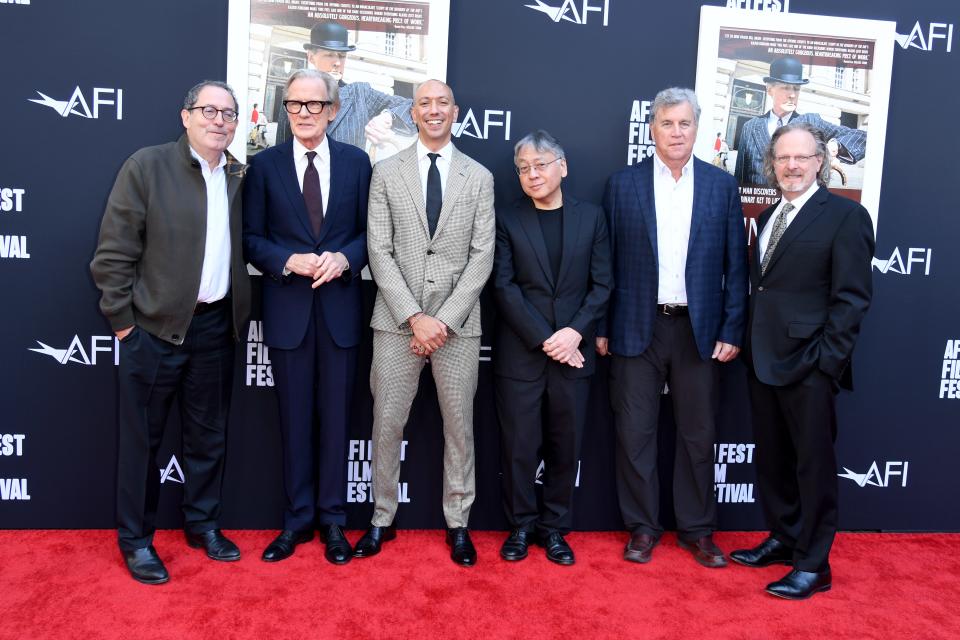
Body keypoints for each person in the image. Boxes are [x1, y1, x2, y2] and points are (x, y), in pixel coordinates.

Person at [90, 80, 251, 584]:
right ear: (186, 116)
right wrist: (123, 326)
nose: (218, 120)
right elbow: (113, 255)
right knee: (144, 442)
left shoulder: (240, 176)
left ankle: (202, 524)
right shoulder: (147, 166)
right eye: (208, 110)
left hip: (215, 327)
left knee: (208, 437)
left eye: (228, 113)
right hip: (153, 332)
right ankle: (136, 541)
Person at [598, 87, 748, 568]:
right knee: (635, 433)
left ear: (697, 128)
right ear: (652, 129)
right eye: (667, 123)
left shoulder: (721, 186)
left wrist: (732, 327)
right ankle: (642, 527)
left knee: (698, 434)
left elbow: (736, 266)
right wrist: (601, 325)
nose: (676, 132)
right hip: (635, 326)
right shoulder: (623, 184)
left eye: (684, 123)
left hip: (698, 329)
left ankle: (698, 529)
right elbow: (606, 264)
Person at [730, 121, 874, 600]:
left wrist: (826, 363)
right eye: (783, 158)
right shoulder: (770, 214)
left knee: (812, 466)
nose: (791, 166)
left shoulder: (845, 217)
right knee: (773, 460)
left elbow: (851, 299)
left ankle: (815, 564)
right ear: (772, 164)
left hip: (810, 365)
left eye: (801, 158)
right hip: (763, 360)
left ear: (819, 163)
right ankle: (784, 538)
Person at [356, 79, 495, 566]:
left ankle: (458, 522)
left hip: (458, 327)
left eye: (442, 103)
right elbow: (379, 248)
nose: (433, 111)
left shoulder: (479, 176)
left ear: (455, 112)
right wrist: (414, 316)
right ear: (411, 113)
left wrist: (443, 320)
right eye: (424, 104)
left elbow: (482, 258)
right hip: (396, 321)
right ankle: (381, 518)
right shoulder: (386, 172)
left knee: (459, 427)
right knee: (386, 422)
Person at [243, 69, 372, 565]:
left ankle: (334, 522)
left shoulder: (359, 163)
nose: (303, 113)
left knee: (338, 421)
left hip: (341, 310)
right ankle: (296, 521)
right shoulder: (265, 166)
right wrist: (285, 260)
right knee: (294, 421)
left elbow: (370, 233)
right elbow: (251, 236)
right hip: (288, 311)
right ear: (285, 109)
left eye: (314, 105)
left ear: (333, 111)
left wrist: (346, 259)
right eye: (295, 105)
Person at [492, 130, 611, 565]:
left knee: (566, 446)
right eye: (523, 168)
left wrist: (574, 332)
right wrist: (547, 338)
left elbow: (602, 285)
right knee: (519, 448)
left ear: (563, 166)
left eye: (540, 165)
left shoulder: (593, 218)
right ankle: (521, 527)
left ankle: (555, 529)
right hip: (522, 354)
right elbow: (503, 287)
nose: (531, 174)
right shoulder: (506, 218)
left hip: (574, 354)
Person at [274, 20, 416, 153]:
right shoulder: (293, 97)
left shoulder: (360, 94)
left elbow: (412, 106)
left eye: (342, 56)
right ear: (311, 57)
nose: (337, 62)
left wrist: (388, 116)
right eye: (329, 55)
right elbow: (281, 152)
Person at [734, 56, 867, 185]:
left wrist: (834, 146)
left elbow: (862, 137)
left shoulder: (811, 122)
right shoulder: (750, 127)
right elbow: (739, 178)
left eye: (796, 89)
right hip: (761, 205)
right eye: (786, 87)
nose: (792, 95)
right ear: (770, 90)